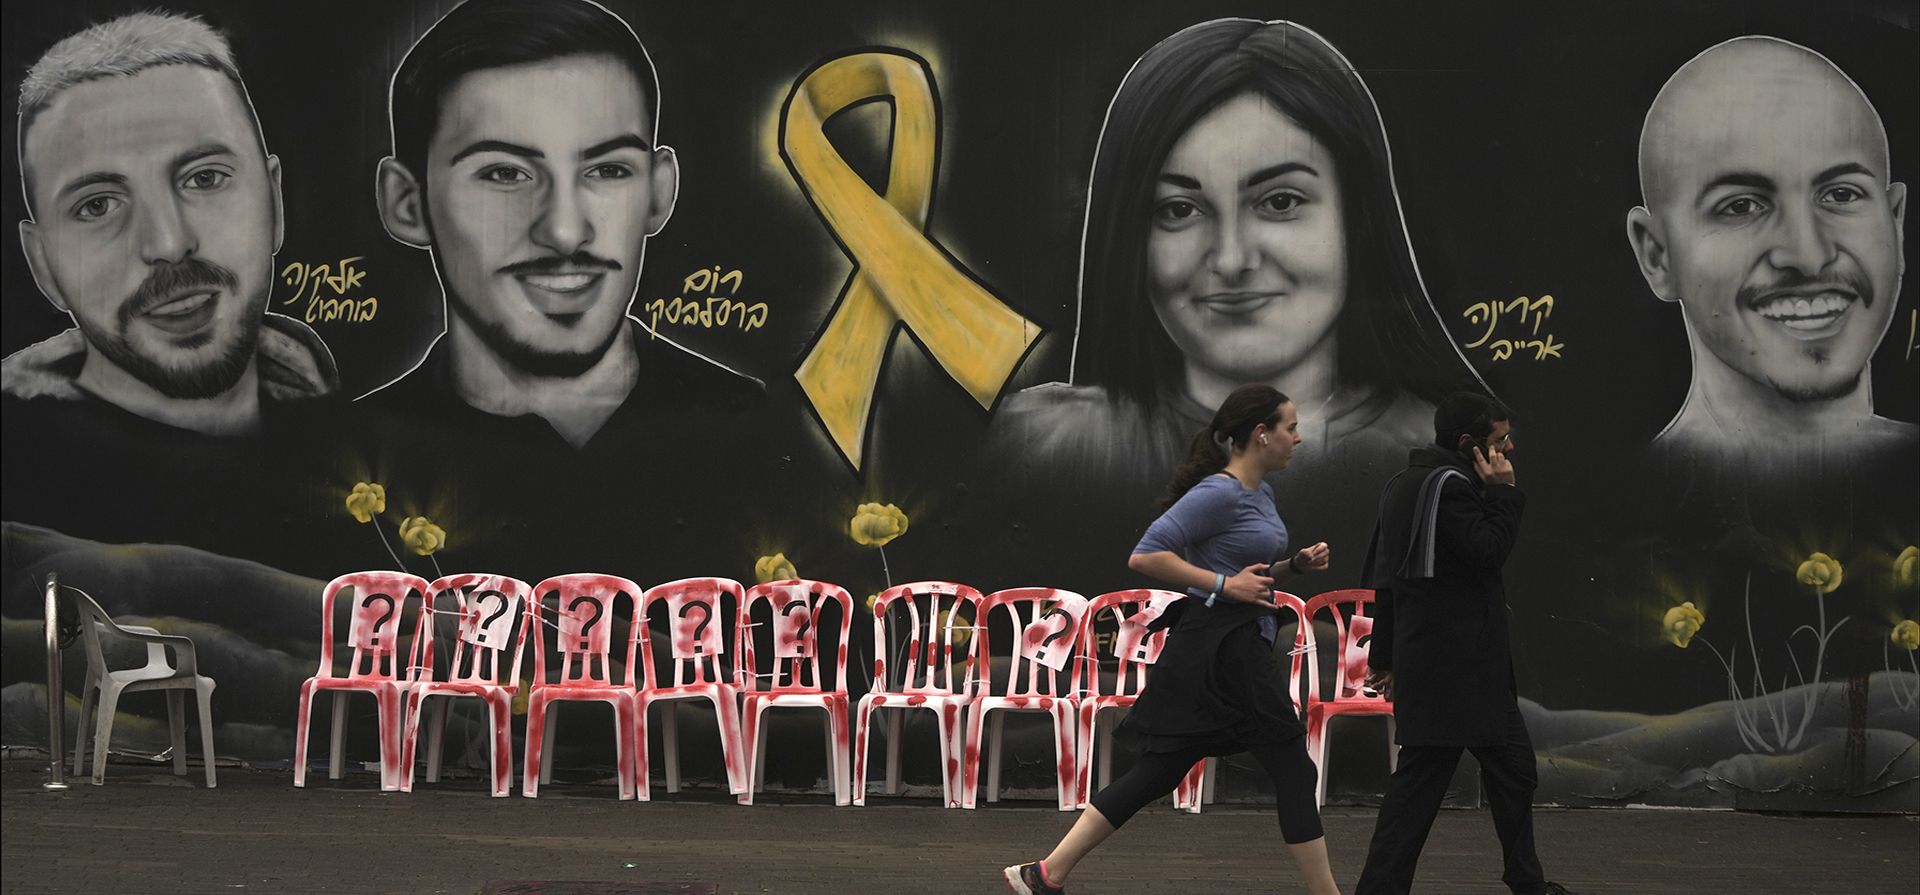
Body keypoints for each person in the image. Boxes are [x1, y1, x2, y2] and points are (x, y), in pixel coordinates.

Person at [985, 17, 1479, 588]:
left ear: (1359, 220)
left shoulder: (1434, 450)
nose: (1230, 259)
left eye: (1280, 200)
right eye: (1178, 209)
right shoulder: (1048, 448)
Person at [360, 0, 763, 451]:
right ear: (407, 204)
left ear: (658, 191)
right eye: (505, 174)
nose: (565, 232)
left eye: (608, 170)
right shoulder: (345, 457)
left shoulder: (764, 436)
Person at [1004, 384, 1339, 895]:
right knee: (1293, 764)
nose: (1298, 437)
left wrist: (1291, 566)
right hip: (1222, 648)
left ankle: (1044, 874)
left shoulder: (1260, 492)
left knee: (1161, 769)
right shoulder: (1218, 492)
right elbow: (1146, 555)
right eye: (1290, 428)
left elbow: (1238, 569)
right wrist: (1226, 585)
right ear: (1260, 433)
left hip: (1222, 644)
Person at [3, 11, 337, 437]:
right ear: (42, 264)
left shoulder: (354, 439)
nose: (168, 243)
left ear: (274, 201)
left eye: (205, 178)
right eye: (98, 205)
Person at [1625, 36, 1911, 474]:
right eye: (1741, 206)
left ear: (1896, 223)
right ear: (1657, 256)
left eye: (1840, 194)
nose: (1810, 255)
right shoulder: (1612, 511)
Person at [1355, 393, 1572, 895]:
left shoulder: (1403, 484)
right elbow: (1487, 552)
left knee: (1512, 770)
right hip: (1457, 670)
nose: (1510, 449)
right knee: (1420, 788)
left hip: (1450, 668)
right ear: (1469, 444)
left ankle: (1526, 880)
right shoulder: (1451, 488)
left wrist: (1385, 655)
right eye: (1501, 440)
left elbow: (1387, 583)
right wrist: (1505, 494)